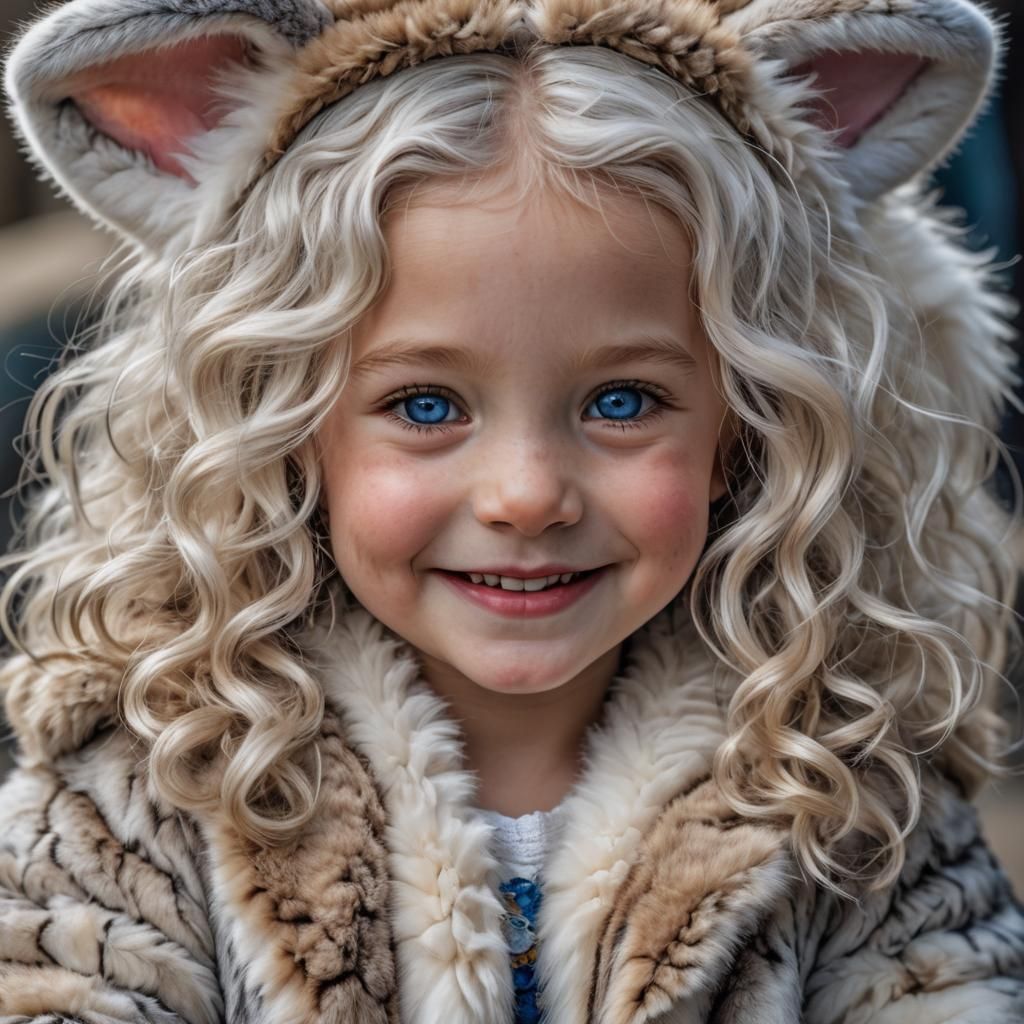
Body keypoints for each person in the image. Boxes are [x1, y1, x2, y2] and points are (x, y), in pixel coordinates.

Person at [1, 0, 1023, 1021]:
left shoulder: (845, 800)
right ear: (287, 427)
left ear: (745, 430)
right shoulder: (145, 793)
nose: (527, 494)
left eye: (622, 402)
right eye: (425, 405)